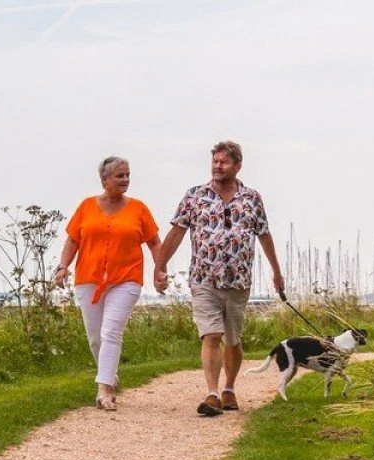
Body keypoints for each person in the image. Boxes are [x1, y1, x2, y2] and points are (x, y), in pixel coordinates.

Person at [153, 141, 284, 417]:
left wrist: (276, 271)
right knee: (211, 335)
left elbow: (264, 234)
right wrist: (160, 265)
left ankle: (229, 388)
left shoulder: (251, 198)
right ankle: (212, 393)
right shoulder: (195, 196)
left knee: (233, 339)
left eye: (224, 162)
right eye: (214, 162)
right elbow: (176, 233)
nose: (217, 166)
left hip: (238, 280)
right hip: (204, 278)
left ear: (237, 166)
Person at [54, 156, 161, 411]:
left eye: (127, 175)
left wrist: (160, 270)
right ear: (104, 180)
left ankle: (104, 389)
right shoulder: (86, 207)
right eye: (119, 176)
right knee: (94, 338)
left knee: (111, 332)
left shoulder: (139, 209)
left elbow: (155, 242)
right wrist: (63, 266)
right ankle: (109, 374)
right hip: (88, 279)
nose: (125, 180)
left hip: (126, 278)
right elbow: (72, 240)